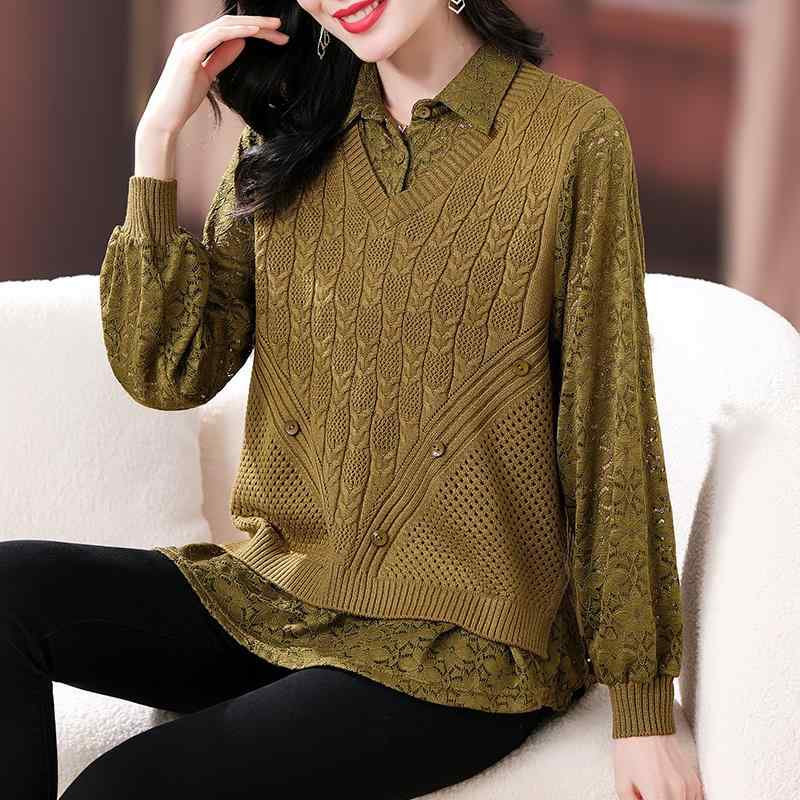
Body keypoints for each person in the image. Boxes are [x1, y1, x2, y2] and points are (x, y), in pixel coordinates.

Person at [1, 1, 704, 798]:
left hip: (466, 644)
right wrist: (156, 137)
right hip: (281, 596)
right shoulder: (292, 133)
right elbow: (168, 369)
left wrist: (641, 707)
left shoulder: (571, 135)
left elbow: (608, 425)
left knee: (119, 789)